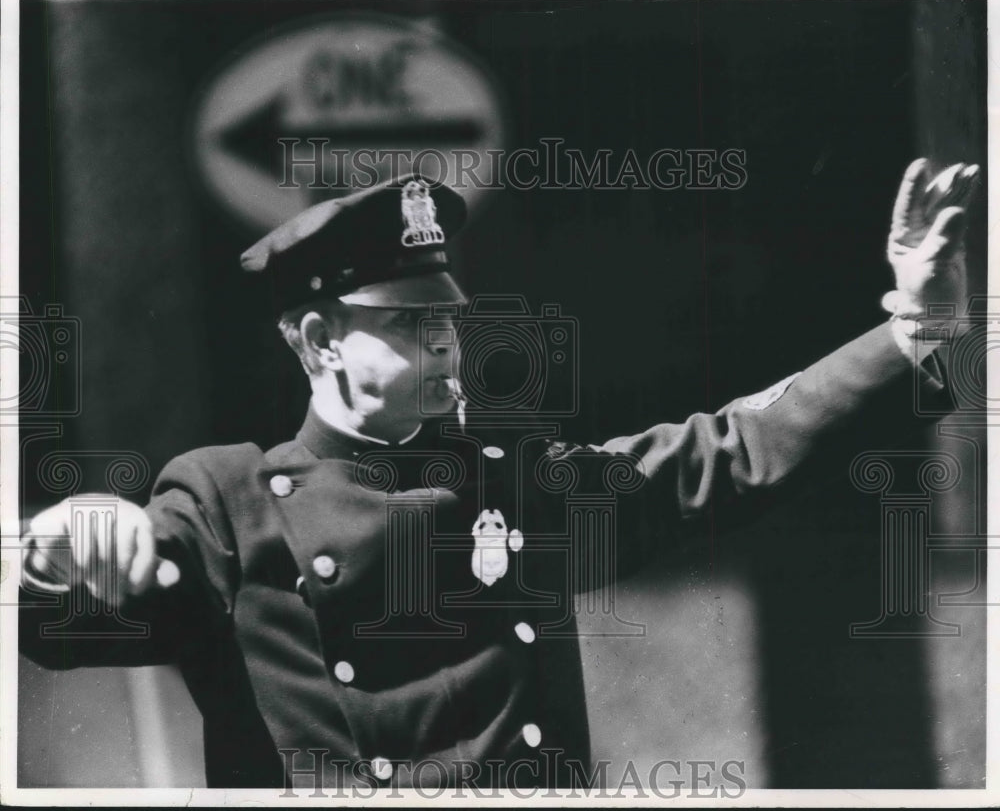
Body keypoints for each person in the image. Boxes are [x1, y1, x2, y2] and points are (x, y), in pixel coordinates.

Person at [18, 161, 979, 792]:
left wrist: (919, 331)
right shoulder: (226, 500)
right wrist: (63, 551)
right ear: (318, 342)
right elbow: (74, 622)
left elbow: (731, 452)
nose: (443, 342)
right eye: (405, 324)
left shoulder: (516, 482)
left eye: (446, 322)